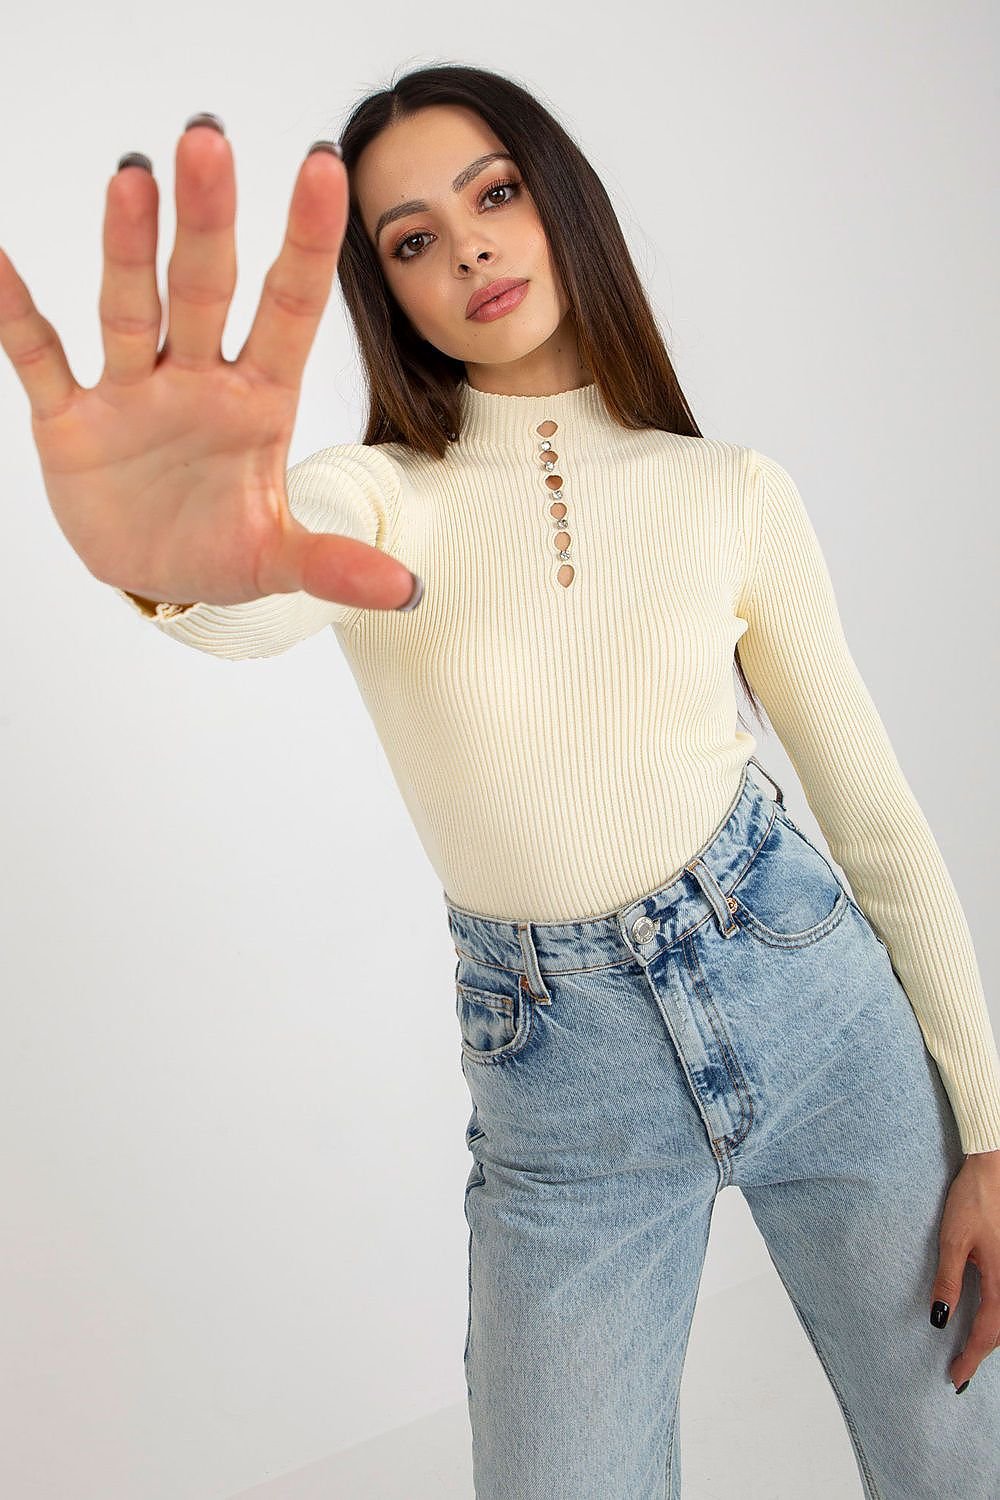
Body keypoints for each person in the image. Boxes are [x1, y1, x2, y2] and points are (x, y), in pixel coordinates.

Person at [1, 61, 997, 1500]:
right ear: (386, 292)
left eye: (494, 194)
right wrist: (166, 565)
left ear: (557, 204)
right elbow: (255, 591)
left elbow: (879, 825)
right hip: (564, 1089)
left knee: (959, 1454)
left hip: (812, 1003)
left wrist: (990, 1128)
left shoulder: (729, 491)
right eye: (411, 239)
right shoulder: (371, 499)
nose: (465, 244)